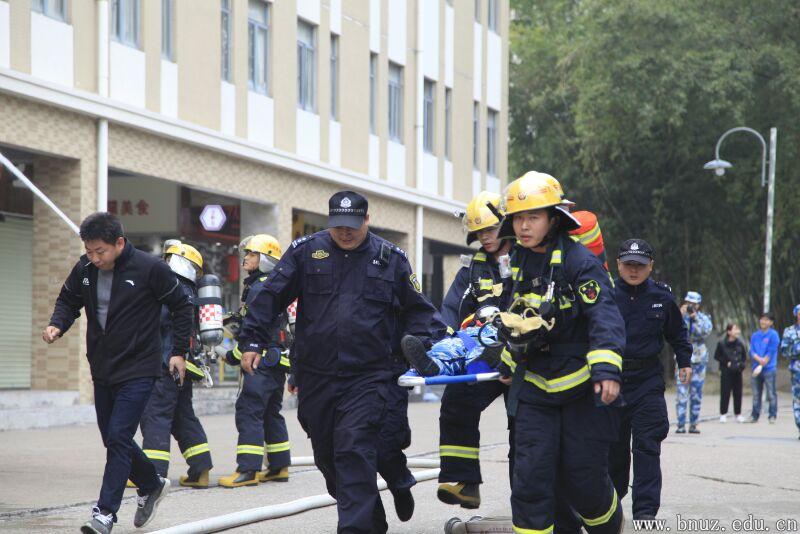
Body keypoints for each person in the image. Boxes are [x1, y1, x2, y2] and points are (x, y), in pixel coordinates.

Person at [237, 191, 446, 533]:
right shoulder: (307, 251)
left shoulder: (389, 258)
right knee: (328, 456)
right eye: (338, 226)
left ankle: (359, 527)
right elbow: (270, 296)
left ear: (367, 220)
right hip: (317, 376)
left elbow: (420, 313)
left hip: (370, 376)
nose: (345, 233)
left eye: (352, 226)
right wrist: (252, 340)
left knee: (352, 447)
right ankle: (378, 507)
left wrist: (422, 350)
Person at [44, 212, 192, 534]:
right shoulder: (85, 269)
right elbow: (68, 300)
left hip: (140, 367)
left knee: (119, 437)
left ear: (120, 243)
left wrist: (179, 352)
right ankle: (152, 484)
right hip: (103, 368)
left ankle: (105, 513)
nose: (94, 258)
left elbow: (182, 306)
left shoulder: (150, 269)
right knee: (112, 438)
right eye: (90, 251)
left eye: (101, 251)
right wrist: (58, 324)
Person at [495, 172, 626, 534]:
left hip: (582, 389)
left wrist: (607, 371)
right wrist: (507, 361)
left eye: (533, 217)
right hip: (536, 387)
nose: (523, 226)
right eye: (519, 218)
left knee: (582, 479)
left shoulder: (580, 262)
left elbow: (604, 316)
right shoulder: (517, 262)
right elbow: (514, 318)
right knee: (530, 480)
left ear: (554, 219)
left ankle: (609, 526)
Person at [436, 191, 514, 509]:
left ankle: (533, 499)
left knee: (526, 423)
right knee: (457, 400)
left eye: (491, 229)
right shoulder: (474, 269)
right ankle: (465, 483)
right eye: (480, 232)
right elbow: (452, 307)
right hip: (487, 356)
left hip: (527, 358)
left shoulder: (528, 259)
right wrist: (441, 342)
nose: (486, 237)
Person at [608, 238, 692, 521]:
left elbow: (678, 335)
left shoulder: (662, 297)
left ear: (650, 267)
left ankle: (645, 515)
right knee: (613, 452)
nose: (634, 270)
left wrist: (685, 362)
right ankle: (609, 509)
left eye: (640, 265)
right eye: (629, 264)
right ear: (618, 264)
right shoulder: (605, 296)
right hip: (612, 381)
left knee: (647, 446)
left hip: (647, 381)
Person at [216, 234, 293, 487]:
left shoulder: (260, 287)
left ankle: (247, 471)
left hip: (259, 362)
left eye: (252, 254)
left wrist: (232, 355)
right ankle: (279, 466)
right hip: (274, 363)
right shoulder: (269, 285)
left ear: (267, 260)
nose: (245, 258)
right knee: (271, 413)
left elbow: (254, 331)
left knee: (249, 411)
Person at [138, 241, 213, 488]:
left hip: (163, 364)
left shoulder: (170, 290)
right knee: (183, 416)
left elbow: (155, 323)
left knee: (155, 415)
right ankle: (200, 469)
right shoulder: (192, 293)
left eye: (168, 259)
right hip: (183, 367)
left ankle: (152, 475)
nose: (164, 263)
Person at [675, 291, 713, 434]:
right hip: (682, 359)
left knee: (696, 393)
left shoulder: (703, 318)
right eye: (688, 303)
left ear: (698, 305)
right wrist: (679, 314)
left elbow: (705, 332)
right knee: (681, 392)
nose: (691, 306)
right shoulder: (679, 316)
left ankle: (693, 424)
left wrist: (694, 318)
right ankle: (680, 424)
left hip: (699, 359)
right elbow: (672, 330)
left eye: (694, 304)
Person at [747, 312, 779, 423]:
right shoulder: (755, 335)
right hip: (756, 367)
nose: (763, 322)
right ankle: (754, 415)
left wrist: (764, 360)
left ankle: (772, 415)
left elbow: (772, 350)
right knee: (756, 393)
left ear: (771, 322)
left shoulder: (773, 335)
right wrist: (757, 358)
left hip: (769, 368)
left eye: (766, 320)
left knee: (771, 393)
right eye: (762, 319)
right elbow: (751, 350)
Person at [714, 323, 747, 423]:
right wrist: (726, 362)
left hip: (737, 372)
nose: (737, 331)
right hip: (726, 372)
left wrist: (741, 365)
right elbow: (717, 356)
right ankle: (723, 414)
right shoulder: (722, 343)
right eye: (735, 329)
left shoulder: (740, 343)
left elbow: (744, 357)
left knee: (738, 393)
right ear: (729, 332)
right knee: (725, 393)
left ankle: (738, 414)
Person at [779, 304, 800, 439]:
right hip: (797, 368)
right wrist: (797, 348)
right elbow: (784, 350)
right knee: (798, 399)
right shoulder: (789, 331)